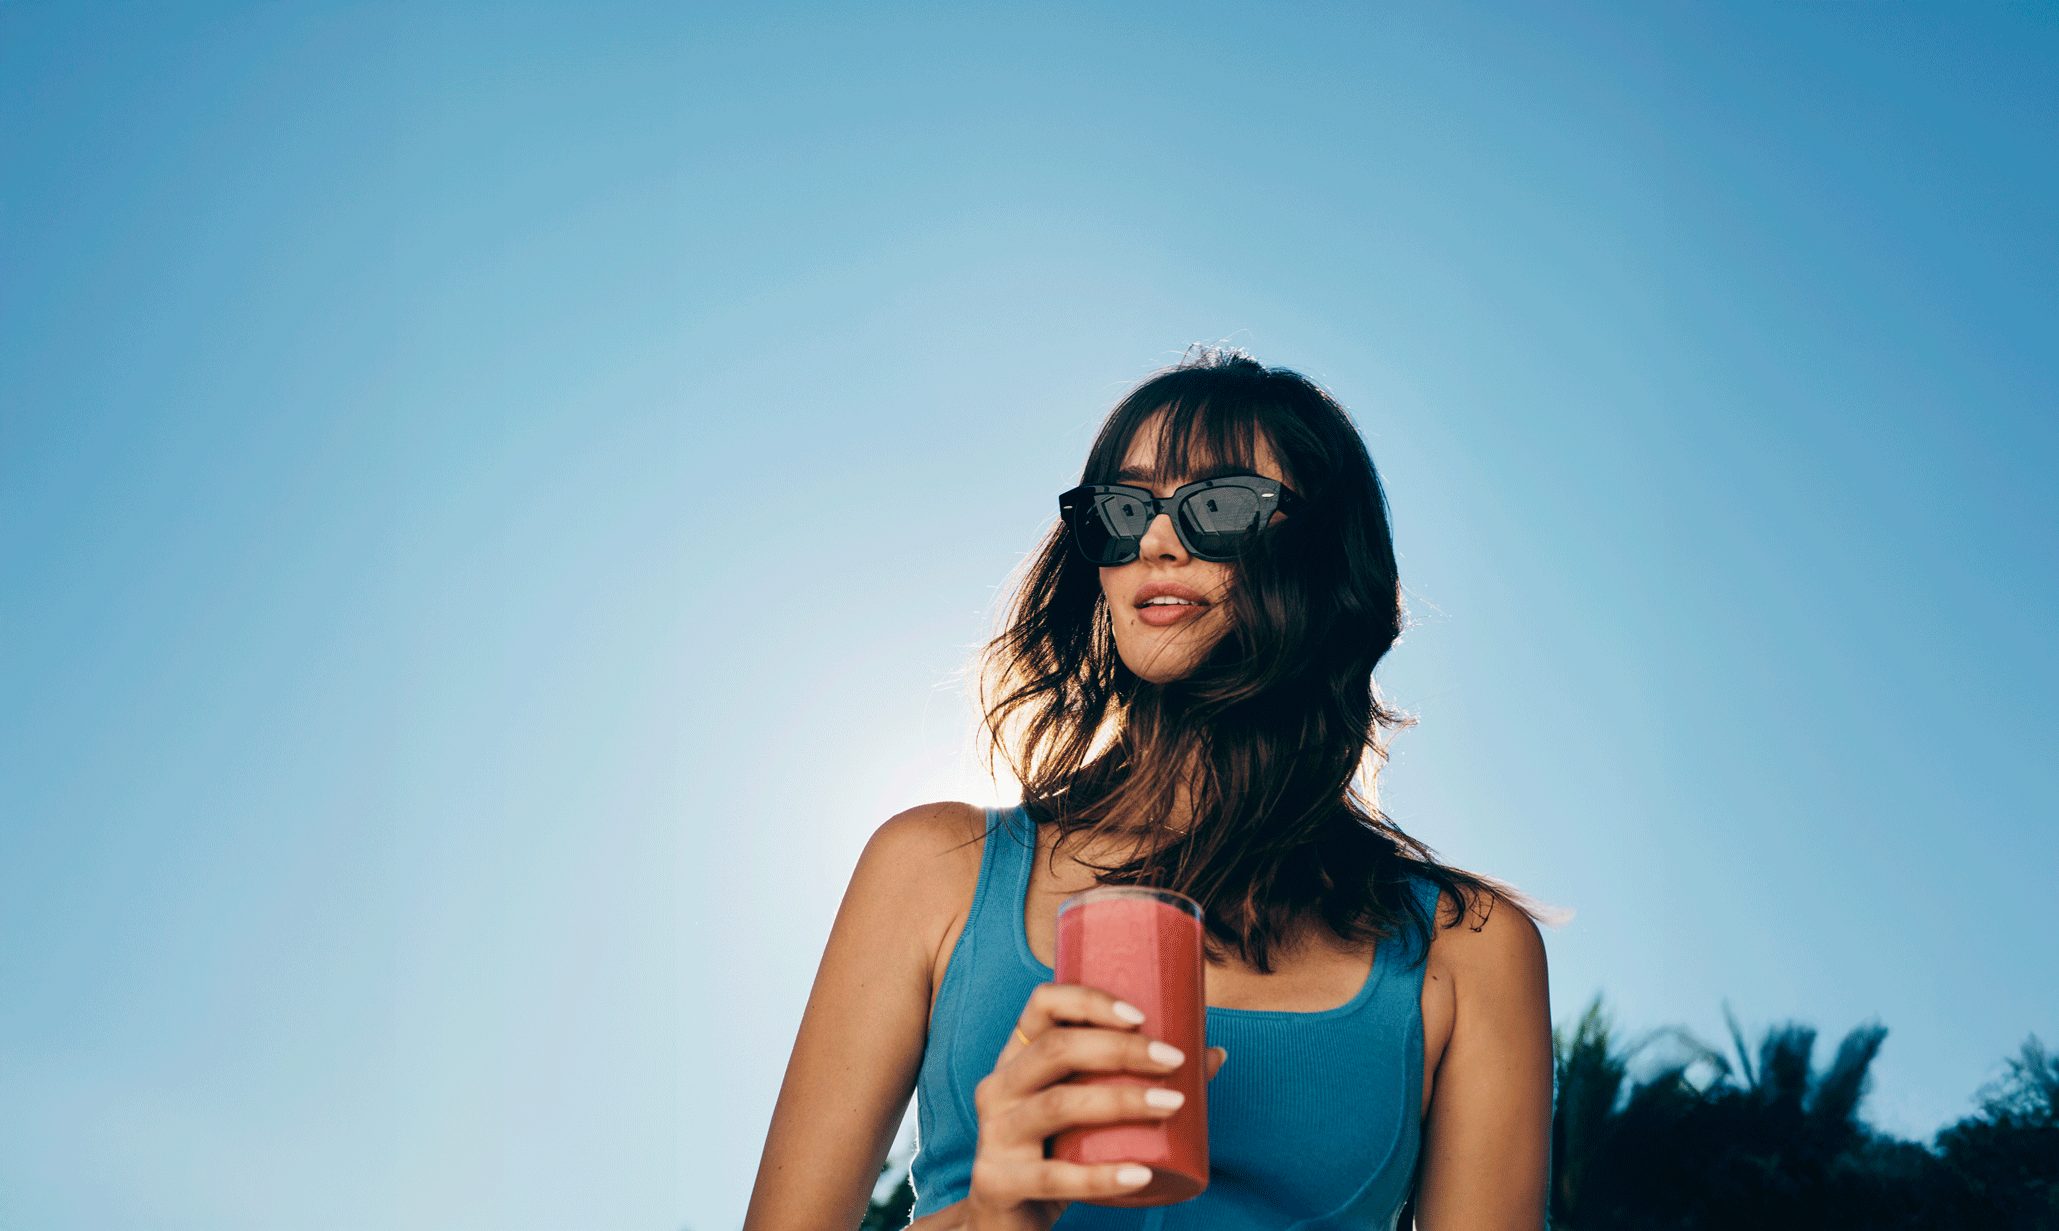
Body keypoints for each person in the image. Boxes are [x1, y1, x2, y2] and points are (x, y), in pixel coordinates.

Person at [744, 345, 1554, 1229]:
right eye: (1124, 511)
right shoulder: (934, 867)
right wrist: (989, 1217)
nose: (1158, 542)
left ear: (1329, 554)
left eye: (1220, 507)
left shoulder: (1468, 951)